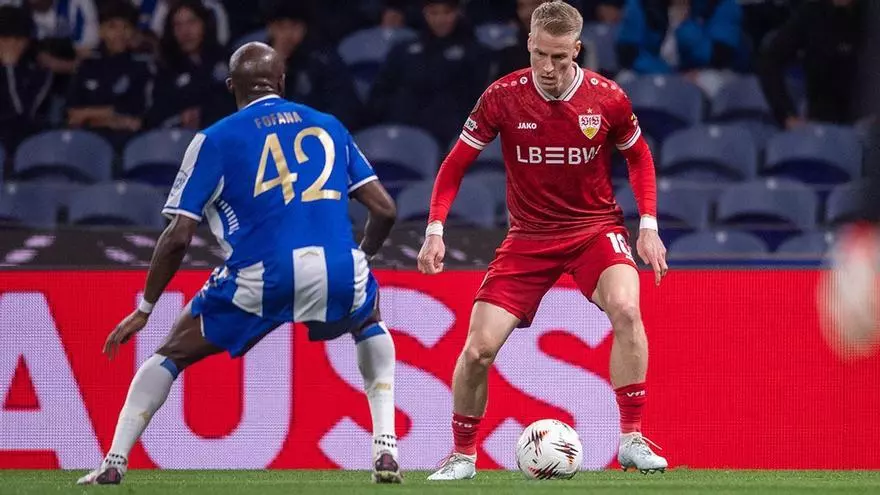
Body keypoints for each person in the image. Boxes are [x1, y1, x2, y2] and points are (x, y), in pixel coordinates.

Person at [76, 42, 402, 485]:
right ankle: (384, 447)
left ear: (232, 86)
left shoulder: (214, 139)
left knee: (171, 353)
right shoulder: (328, 126)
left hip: (262, 275)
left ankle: (113, 462)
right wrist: (360, 262)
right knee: (369, 318)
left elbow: (178, 237)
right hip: (340, 268)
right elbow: (384, 210)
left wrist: (146, 308)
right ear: (282, 81)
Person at [417, 1, 668, 480]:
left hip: (595, 229)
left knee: (628, 310)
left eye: (560, 57)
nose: (549, 69)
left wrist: (648, 226)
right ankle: (463, 456)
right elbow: (454, 165)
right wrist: (434, 230)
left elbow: (639, 158)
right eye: (540, 56)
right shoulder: (502, 97)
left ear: (576, 49)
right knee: (477, 351)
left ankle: (631, 438)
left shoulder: (607, 98)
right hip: (528, 237)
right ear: (528, 45)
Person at [368, 0, 490, 144]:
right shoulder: (402, 50)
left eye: (447, 12)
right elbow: (380, 93)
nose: (440, 19)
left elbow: (476, 101)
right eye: (434, 13)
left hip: (451, 135)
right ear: (424, 14)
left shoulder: (476, 53)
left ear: (458, 12)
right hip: (402, 129)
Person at [756, 0, 863, 129]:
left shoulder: (870, 14)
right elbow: (770, 60)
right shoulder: (813, 13)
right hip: (829, 133)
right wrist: (786, 114)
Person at [265, 2, 363, 130]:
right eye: (281, 27)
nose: (287, 35)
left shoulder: (324, 61)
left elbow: (344, 110)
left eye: (294, 26)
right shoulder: (256, 63)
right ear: (270, 29)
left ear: (304, 28)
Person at [66, 0, 151, 145]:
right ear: (101, 30)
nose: (119, 34)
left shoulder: (142, 66)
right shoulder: (87, 65)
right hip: (85, 140)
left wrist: (88, 114)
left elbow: (136, 117)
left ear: (133, 32)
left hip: (127, 142)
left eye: (126, 27)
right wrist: (112, 118)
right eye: (112, 27)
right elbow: (72, 114)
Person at [146, 0, 233, 129]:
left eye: (191, 22)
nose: (185, 31)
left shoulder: (227, 60)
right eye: (178, 25)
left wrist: (203, 113)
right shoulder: (166, 69)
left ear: (204, 23)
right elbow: (155, 115)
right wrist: (180, 117)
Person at [0, 5, 52, 159]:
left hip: (19, 142)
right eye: (5, 39)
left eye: (18, 39)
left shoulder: (41, 73)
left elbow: (21, 112)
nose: (12, 45)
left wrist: (10, 69)